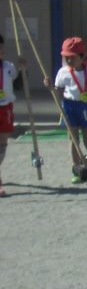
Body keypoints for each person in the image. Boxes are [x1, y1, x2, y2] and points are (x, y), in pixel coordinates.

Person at [48, 36, 87, 183]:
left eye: (72, 57)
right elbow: (58, 90)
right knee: (73, 139)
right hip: (69, 106)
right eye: (66, 58)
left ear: (82, 56)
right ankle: (77, 168)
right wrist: (50, 88)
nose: (69, 61)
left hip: (84, 106)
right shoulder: (63, 72)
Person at [0, 33, 28, 197]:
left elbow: (17, 84)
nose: (1, 51)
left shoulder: (9, 67)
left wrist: (23, 70)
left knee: (3, 144)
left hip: (6, 108)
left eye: (2, 48)